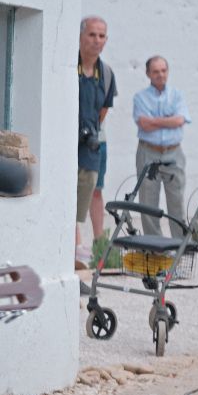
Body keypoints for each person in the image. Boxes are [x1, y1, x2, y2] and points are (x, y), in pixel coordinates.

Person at [132, 56, 190, 237]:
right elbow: (143, 124)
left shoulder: (177, 95)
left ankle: (180, 246)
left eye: (163, 70)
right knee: (148, 204)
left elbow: (180, 120)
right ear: (148, 73)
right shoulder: (140, 97)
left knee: (177, 203)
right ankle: (154, 248)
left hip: (174, 153)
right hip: (148, 152)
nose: (160, 75)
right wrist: (168, 120)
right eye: (156, 71)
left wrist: (154, 120)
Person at [76, 16, 116, 269]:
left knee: (94, 189)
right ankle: (75, 248)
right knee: (71, 193)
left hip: (94, 143)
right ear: (81, 36)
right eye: (92, 34)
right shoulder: (69, 66)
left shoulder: (107, 73)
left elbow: (103, 110)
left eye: (101, 36)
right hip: (70, 144)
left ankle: (99, 242)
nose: (97, 40)